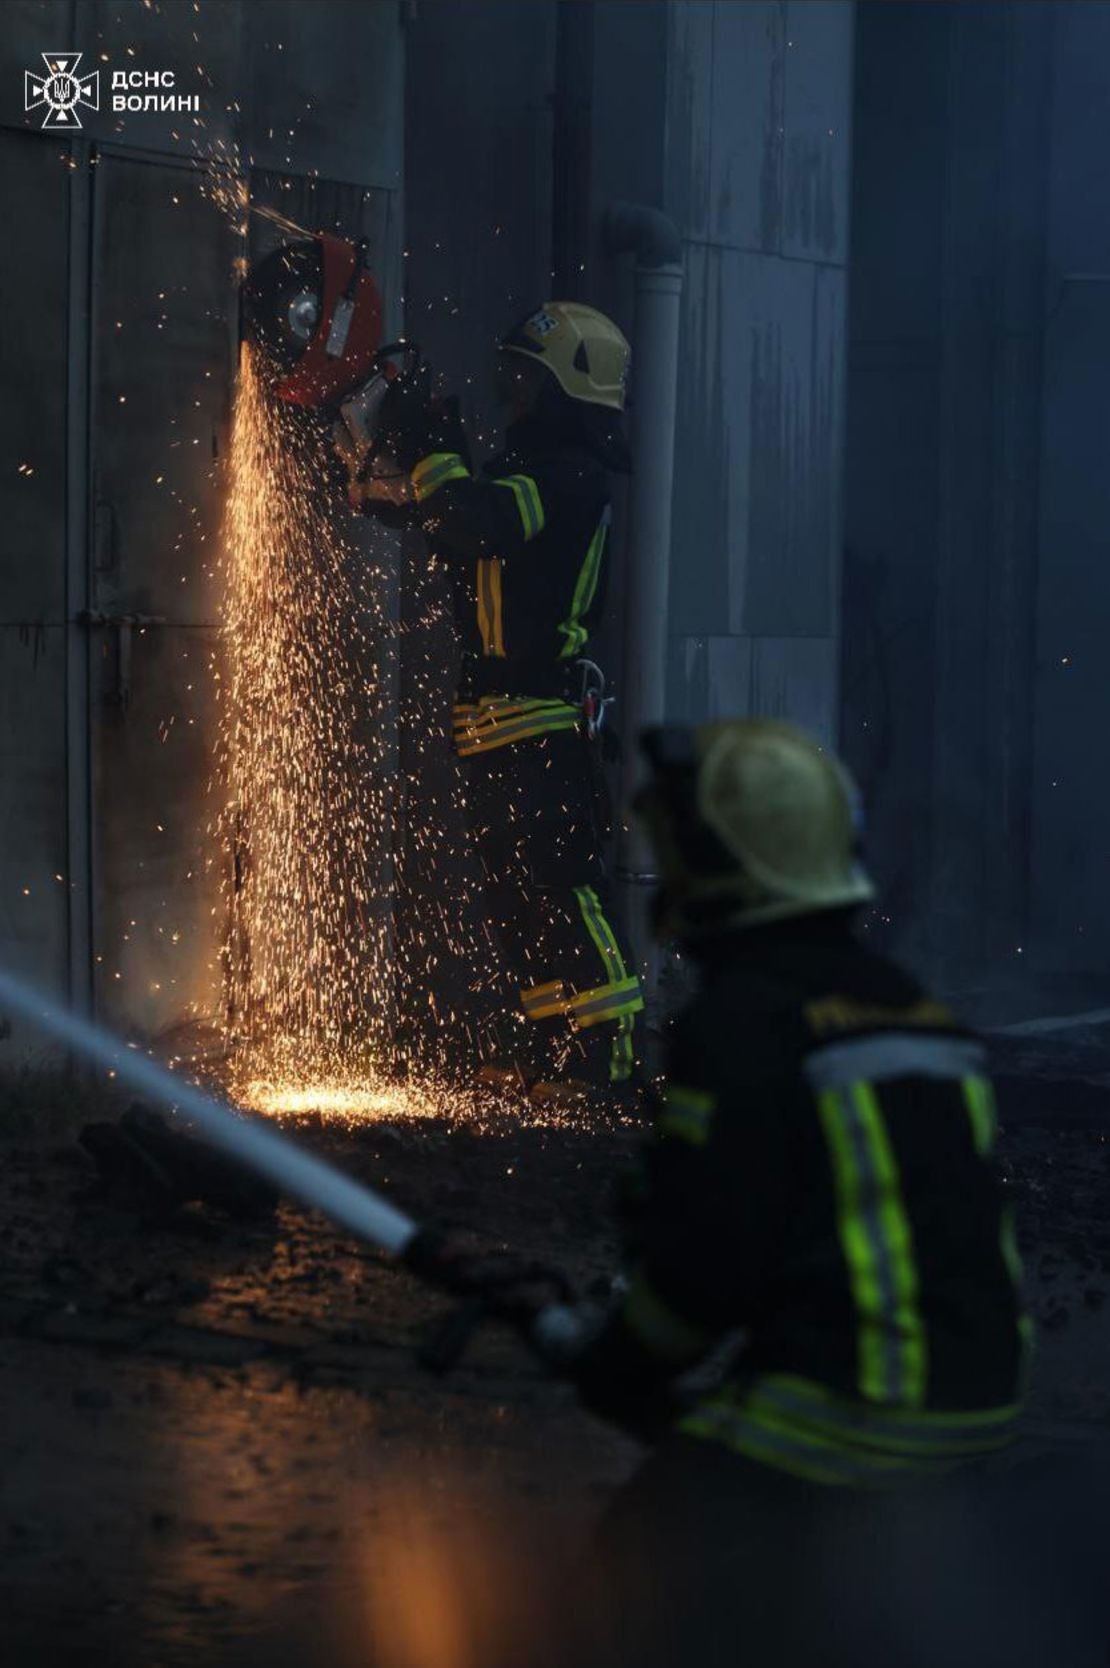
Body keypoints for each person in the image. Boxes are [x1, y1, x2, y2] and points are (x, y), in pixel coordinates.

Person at [552, 718, 1047, 1666]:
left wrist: (620, 1361)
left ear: (722, 869)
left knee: (643, 1554)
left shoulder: (743, 1025)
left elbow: (709, 1269)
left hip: (859, 1406)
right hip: (981, 1390)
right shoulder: (910, 1004)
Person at [352, 304, 643, 1100]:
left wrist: (436, 452)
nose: (510, 394)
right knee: (517, 899)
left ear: (565, 389)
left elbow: (473, 522)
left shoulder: (569, 479)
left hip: (540, 718)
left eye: (526, 379)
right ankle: (556, 1056)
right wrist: (400, 473)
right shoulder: (524, 477)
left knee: (560, 886)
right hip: (489, 720)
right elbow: (456, 520)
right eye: (509, 375)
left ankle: (605, 1062)